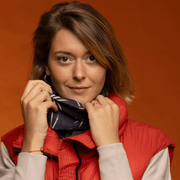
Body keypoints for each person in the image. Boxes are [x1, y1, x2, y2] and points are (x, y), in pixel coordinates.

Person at [0, 1, 175, 180]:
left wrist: (110, 146)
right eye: (64, 59)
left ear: (108, 64)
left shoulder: (152, 145)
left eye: (91, 58)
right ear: (46, 65)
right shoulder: (12, 144)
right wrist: (32, 144)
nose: (79, 74)